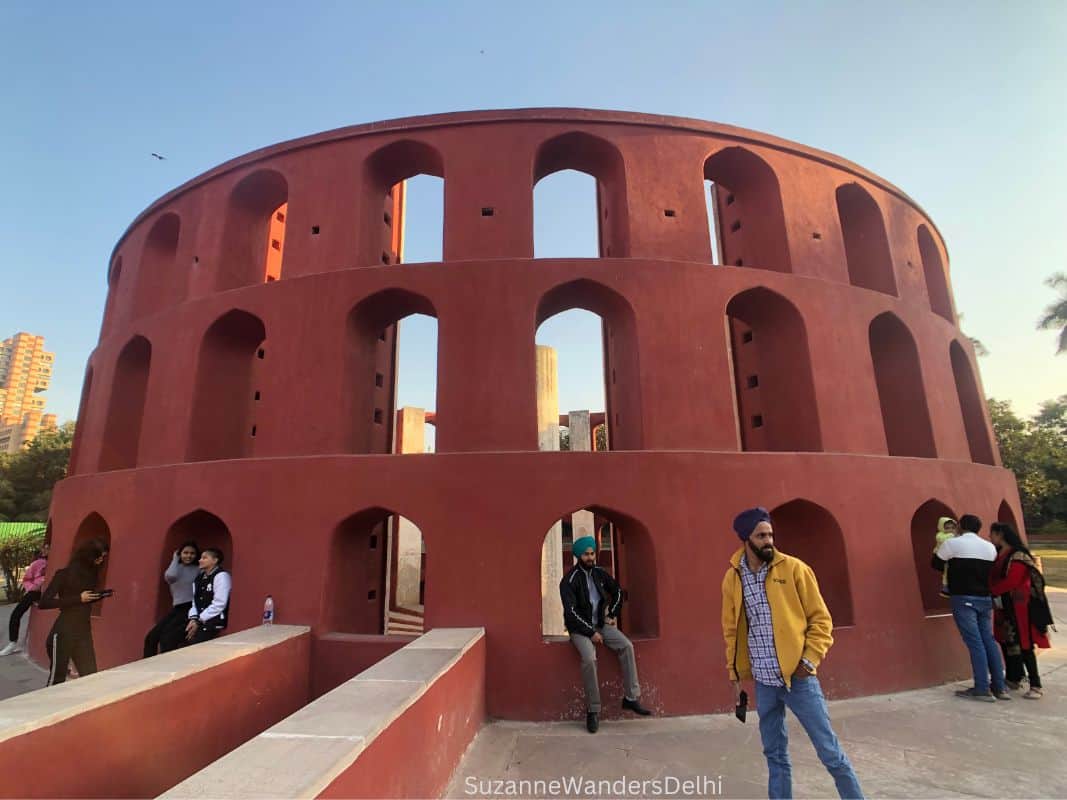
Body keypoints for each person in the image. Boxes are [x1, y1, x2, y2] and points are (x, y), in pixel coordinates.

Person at [721, 507, 864, 800]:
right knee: (774, 755)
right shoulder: (733, 579)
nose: (768, 540)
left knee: (829, 752)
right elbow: (731, 631)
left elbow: (821, 620)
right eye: (761, 535)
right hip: (764, 681)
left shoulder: (795, 569)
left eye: (771, 534)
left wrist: (809, 660)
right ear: (745, 539)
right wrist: (735, 674)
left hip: (798, 679)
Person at [559, 535, 651, 733]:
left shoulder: (600, 573)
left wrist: (612, 614)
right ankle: (593, 710)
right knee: (590, 658)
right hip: (580, 629)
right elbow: (571, 613)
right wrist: (590, 632)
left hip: (601, 624)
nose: (591, 557)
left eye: (592, 553)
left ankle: (631, 697)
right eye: (586, 554)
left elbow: (617, 591)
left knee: (626, 646)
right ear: (578, 556)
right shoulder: (569, 581)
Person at [931, 514, 1009, 702]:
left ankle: (982, 688)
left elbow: (936, 563)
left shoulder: (953, 544)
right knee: (988, 641)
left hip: (963, 597)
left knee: (975, 643)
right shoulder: (989, 547)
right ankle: (1000, 686)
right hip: (984, 598)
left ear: (960, 526)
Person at [989, 522, 1050, 699]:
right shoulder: (1000, 554)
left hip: (1019, 606)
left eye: (992, 533)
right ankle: (1013, 677)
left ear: (1000, 534)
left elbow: (1013, 581)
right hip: (1004, 605)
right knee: (1007, 642)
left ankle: (1036, 684)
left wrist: (992, 591)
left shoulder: (1018, 555)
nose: (990, 537)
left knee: (1025, 644)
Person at [37, 538, 109, 685]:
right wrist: (79, 598)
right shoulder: (63, 574)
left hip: (83, 631)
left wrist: (95, 596)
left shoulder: (92, 575)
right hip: (64, 631)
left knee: (91, 677)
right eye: (99, 556)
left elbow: (83, 602)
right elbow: (44, 603)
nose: (101, 560)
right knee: (57, 679)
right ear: (89, 556)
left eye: (103, 557)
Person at [143, 541, 200, 657]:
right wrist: (175, 558)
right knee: (151, 637)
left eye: (192, 553)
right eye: (185, 553)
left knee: (167, 639)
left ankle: (163, 667)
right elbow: (170, 577)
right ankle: (146, 665)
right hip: (177, 608)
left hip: (190, 608)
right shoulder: (175, 568)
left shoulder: (199, 569)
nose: (189, 556)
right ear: (180, 554)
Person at [0, 543, 50, 656]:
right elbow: (27, 579)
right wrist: (34, 588)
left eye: (48, 548)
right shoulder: (38, 564)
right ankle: (12, 642)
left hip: (50, 593)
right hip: (35, 593)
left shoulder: (56, 563)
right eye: (45, 548)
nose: (45, 550)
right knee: (16, 613)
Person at [185, 548, 231, 644]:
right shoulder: (199, 578)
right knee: (171, 637)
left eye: (204, 558)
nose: (200, 560)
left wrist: (199, 620)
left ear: (215, 560)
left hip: (214, 621)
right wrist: (193, 619)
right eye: (201, 558)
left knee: (193, 644)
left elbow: (219, 604)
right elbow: (194, 602)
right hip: (199, 620)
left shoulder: (221, 576)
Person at [934, 517, 958, 598]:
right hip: (942, 557)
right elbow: (943, 539)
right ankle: (946, 588)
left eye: (952, 527)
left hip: (950, 556)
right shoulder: (940, 535)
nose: (950, 529)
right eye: (947, 528)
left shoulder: (954, 535)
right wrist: (953, 535)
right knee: (946, 573)